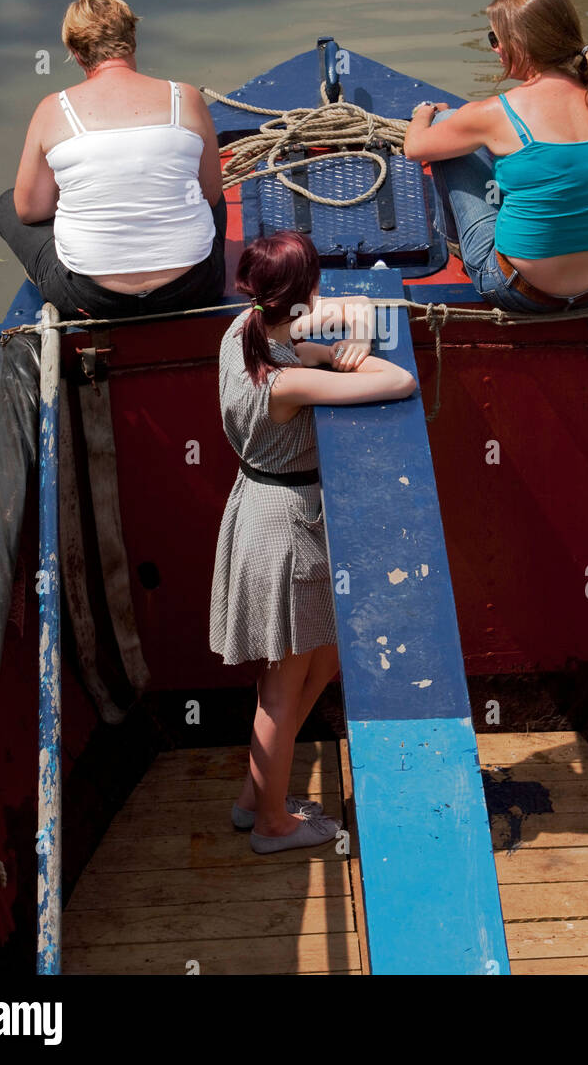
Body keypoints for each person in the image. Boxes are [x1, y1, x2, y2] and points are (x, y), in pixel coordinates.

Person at [211, 231, 415, 854]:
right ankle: (272, 825)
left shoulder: (241, 329)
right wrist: (347, 356)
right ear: (297, 297)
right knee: (279, 690)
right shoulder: (287, 381)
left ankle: (258, 795)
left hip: (255, 509)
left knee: (323, 656)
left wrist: (343, 330)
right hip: (289, 531)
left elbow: (360, 312)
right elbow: (397, 382)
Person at [403, 0, 588, 311]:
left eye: (495, 39)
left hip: (519, 289)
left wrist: (424, 113)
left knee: (445, 124)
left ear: (520, 44)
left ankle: (455, 246)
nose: (494, 49)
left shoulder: (494, 113)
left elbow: (416, 148)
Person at [0, 0, 226, 320]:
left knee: (8, 204)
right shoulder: (184, 98)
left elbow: (30, 210)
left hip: (91, 297)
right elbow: (212, 193)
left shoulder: (52, 110)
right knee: (205, 194)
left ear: (75, 52)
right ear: (132, 38)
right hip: (192, 287)